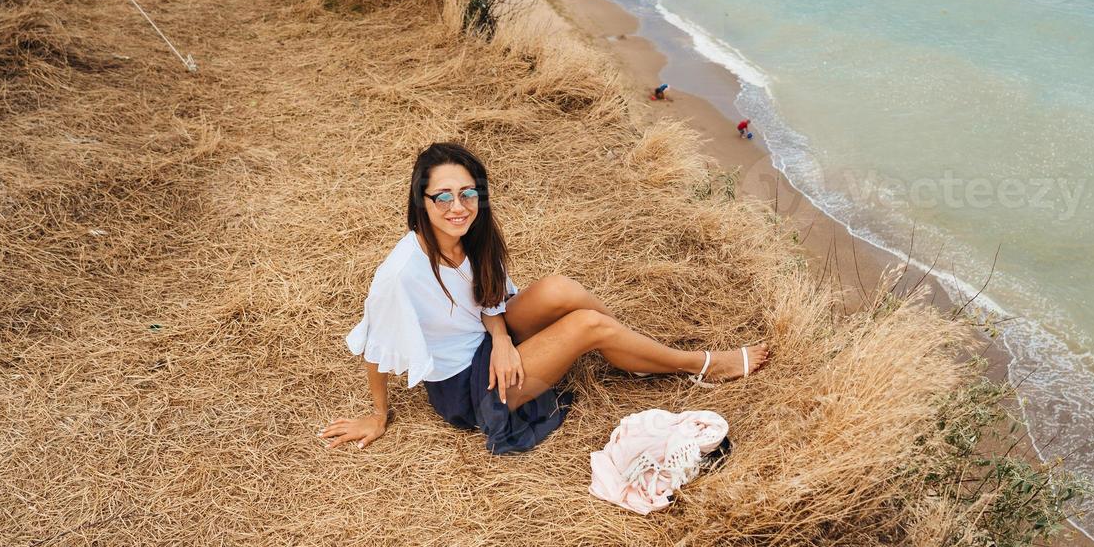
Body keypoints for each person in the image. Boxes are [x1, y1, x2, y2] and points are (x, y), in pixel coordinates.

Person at [321, 142, 769, 454]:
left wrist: (499, 338)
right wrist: (378, 415)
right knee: (587, 326)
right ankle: (699, 365)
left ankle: (629, 352)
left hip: (486, 343)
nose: (458, 206)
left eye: (467, 193)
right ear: (421, 201)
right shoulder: (401, 273)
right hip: (466, 388)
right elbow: (374, 345)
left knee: (559, 289)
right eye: (443, 197)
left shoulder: (469, 235)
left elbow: (487, 299)